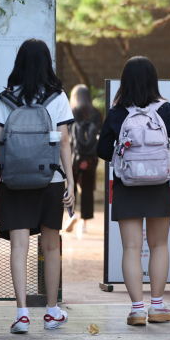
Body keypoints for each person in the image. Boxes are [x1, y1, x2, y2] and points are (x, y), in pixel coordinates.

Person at [0, 39, 75, 334]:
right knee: (51, 247)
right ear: (46, 63)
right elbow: (64, 141)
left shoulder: (7, 97)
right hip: (50, 179)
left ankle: (22, 314)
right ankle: (52, 312)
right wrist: (71, 182)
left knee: (19, 246)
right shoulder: (57, 97)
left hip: (15, 181)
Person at [97, 56, 170, 326]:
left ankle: (137, 309)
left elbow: (102, 151)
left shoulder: (117, 112)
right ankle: (157, 306)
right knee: (159, 245)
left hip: (126, 186)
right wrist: (159, 167)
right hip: (160, 186)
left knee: (131, 248)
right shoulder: (166, 109)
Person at [64, 84, 103, 238]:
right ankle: (85, 223)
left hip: (75, 156)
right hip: (91, 157)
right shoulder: (97, 114)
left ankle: (71, 214)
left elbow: (68, 138)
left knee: (71, 187)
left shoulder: (71, 112)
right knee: (87, 188)